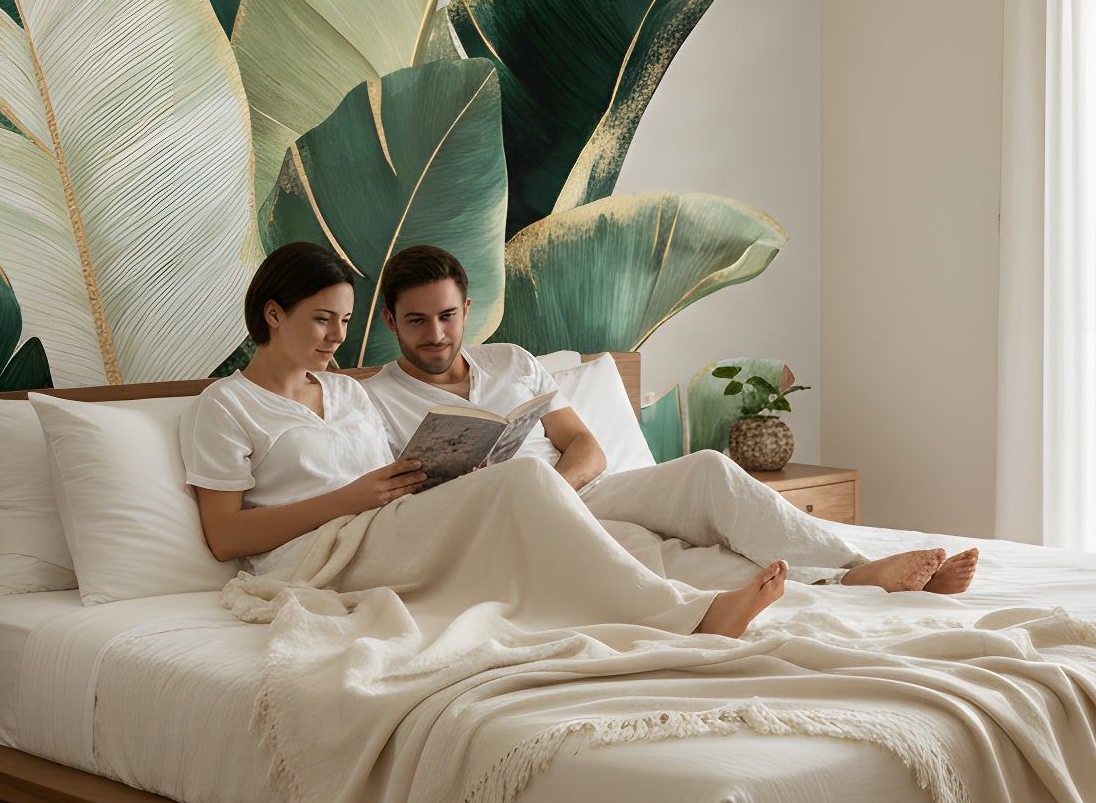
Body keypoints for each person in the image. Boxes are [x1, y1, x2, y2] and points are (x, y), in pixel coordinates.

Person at [178, 243, 788, 635]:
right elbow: (225, 537)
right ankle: (692, 614)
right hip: (320, 554)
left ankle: (680, 602)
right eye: (321, 318)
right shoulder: (225, 405)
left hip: (388, 526)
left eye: (343, 319)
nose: (338, 335)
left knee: (519, 486)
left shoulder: (346, 392)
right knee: (524, 480)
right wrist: (352, 499)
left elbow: (387, 480)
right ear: (274, 313)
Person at [358, 245, 980, 595]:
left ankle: (854, 569)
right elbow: (389, 504)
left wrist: (560, 488)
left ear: (466, 309)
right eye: (417, 321)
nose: (436, 334)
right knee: (651, 549)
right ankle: (824, 589)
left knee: (709, 470)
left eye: (446, 316)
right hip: (502, 523)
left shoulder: (512, 363)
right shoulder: (372, 398)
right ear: (391, 321)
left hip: (583, 491)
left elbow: (585, 447)